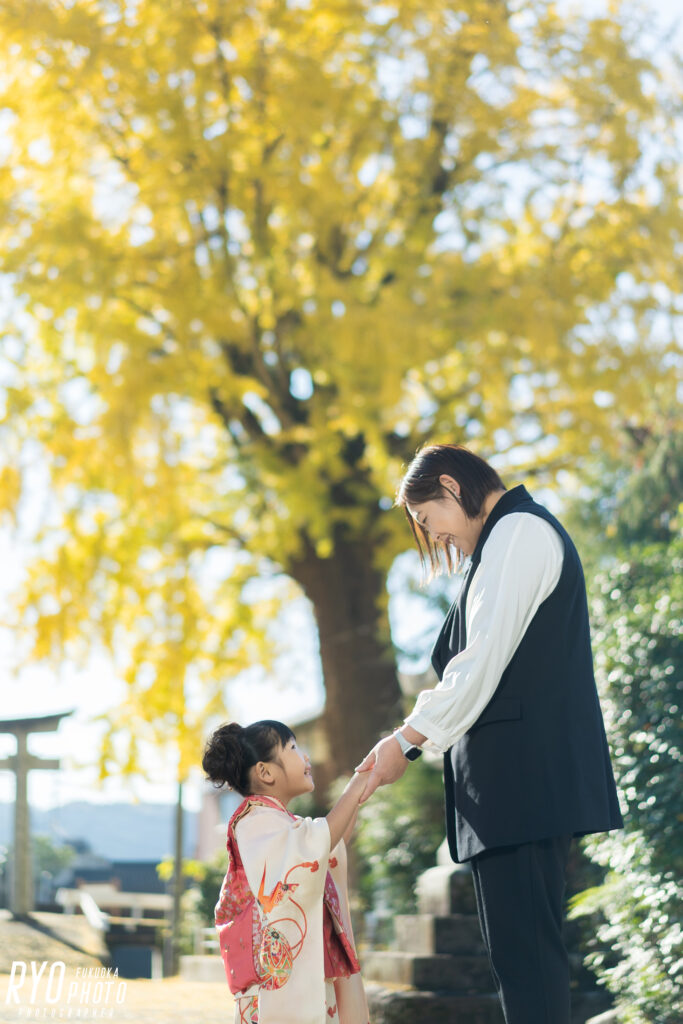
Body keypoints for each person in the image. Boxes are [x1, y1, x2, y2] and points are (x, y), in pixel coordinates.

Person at [355, 443, 624, 1024]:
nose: (437, 537)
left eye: (430, 519)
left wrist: (406, 740)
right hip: (511, 790)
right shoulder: (502, 542)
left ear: (451, 487)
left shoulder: (519, 533)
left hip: (522, 785)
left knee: (529, 963)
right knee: (520, 963)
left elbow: (478, 663)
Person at [202, 719, 370, 1024]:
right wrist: (357, 784)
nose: (305, 756)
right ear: (265, 772)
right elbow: (315, 847)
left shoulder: (279, 822)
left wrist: (359, 790)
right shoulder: (254, 821)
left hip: (308, 981)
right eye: (292, 747)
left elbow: (326, 848)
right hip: (270, 992)